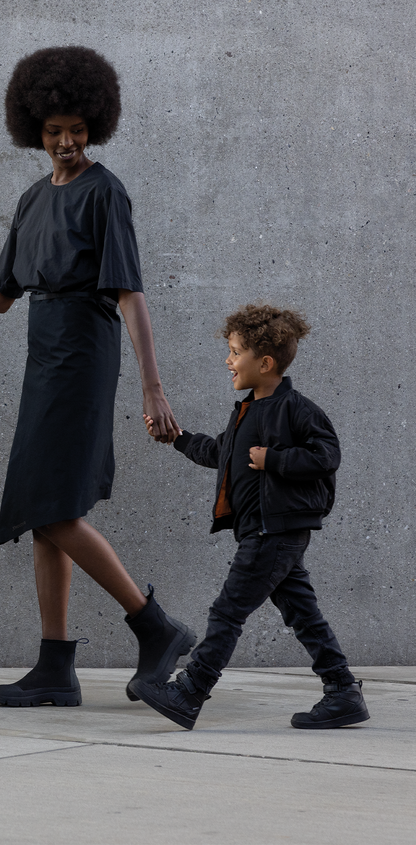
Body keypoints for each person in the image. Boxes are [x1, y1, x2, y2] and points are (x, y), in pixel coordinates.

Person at [0, 46, 195, 707]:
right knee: (43, 511)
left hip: (84, 356)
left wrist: (152, 385)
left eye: (76, 128)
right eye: (53, 131)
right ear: (34, 131)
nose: (65, 142)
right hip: (41, 358)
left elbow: (129, 294)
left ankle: (155, 626)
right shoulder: (30, 200)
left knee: (50, 506)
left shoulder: (105, 192)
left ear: (95, 125)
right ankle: (54, 665)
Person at [133, 304, 369, 730]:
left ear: (265, 362)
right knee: (303, 613)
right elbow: (217, 453)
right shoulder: (245, 413)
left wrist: (274, 459)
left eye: (235, 351)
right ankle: (343, 690)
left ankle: (189, 693)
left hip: (275, 529)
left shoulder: (297, 408)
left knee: (227, 611)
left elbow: (327, 455)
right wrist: (176, 437)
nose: (228, 359)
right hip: (263, 531)